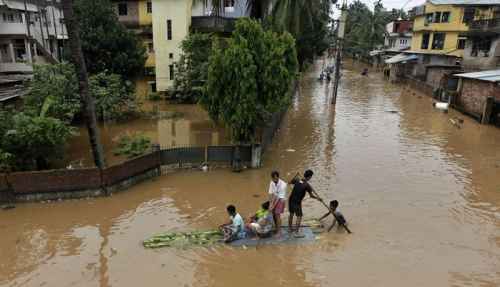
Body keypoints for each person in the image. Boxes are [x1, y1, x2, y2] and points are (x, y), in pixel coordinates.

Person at [288, 169, 321, 234]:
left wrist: (295, 177)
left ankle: (290, 229)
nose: (310, 178)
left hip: (291, 199)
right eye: (311, 177)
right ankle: (296, 232)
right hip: (297, 202)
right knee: (299, 216)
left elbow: (289, 182)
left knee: (291, 214)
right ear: (309, 177)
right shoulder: (307, 185)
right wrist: (318, 198)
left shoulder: (297, 179)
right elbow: (311, 196)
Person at [268, 171, 287, 235]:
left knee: (277, 214)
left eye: (276, 178)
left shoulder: (283, 184)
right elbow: (270, 193)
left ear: (278, 177)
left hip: (281, 199)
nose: (275, 180)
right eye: (274, 179)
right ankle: (276, 227)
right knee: (273, 213)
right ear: (272, 178)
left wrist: (273, 206)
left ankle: (279, 231)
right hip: (275, 197)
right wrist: (270, 204)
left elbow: (278, 197)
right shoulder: (272, 182)